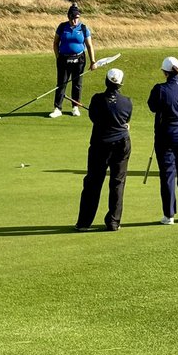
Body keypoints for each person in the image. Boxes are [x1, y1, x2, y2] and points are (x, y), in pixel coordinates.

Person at [75, 68, 132, 232]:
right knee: (117, 182)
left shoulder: (97, 99)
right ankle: (113, 222)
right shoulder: (127, 102)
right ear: (121, 84)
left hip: (101, 145)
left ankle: (84, 223)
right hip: (122, 143)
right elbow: (126, 119)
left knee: (93, 181)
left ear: (106, 82)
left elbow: (93, 117)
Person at [147, 56, 178, 224]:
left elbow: (152, 107)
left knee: (168, 174)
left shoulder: (160, 89)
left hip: (166, 135)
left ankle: (169, 216)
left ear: (165, 72)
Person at [51, 3, 96, 118]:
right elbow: (55, 43)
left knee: (77, 84)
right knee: (61, 83)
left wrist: (93, 62)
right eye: (72, 17)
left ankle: (75, 107)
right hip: (64, 58)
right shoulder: (62, 27)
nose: (74, 20)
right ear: (68, 16)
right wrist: (58, 57)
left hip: (79, 58)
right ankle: (57, 108)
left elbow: (89, 45)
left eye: (76, 18)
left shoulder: (83, 28)